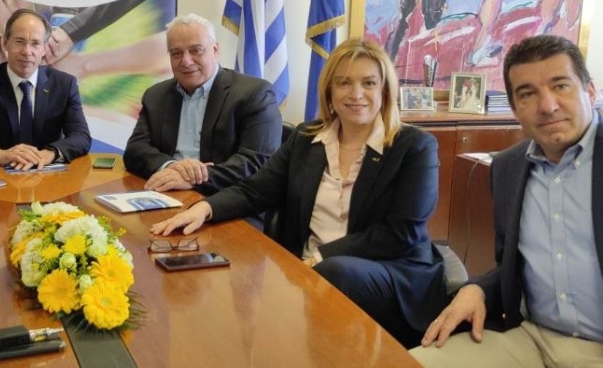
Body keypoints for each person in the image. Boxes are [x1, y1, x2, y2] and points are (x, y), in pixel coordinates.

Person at [414, 35, 603, 368]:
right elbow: (515, 268)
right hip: (532, 337)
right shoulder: (507, 167)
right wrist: (479, 288)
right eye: (527, 93)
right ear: (514, 109)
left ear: (590, 91)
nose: (547, 106)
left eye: (561, 86)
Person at [150, 38, 444, 347]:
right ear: (329, 91)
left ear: (385, 90)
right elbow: (257, 190)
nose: (356, 93)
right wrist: (205, 208)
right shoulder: (307, 138)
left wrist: (321, 257)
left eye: (368, 83)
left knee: (334, 273)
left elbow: (400, 233)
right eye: (344, 82)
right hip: (307, 272)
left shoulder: (415, 147)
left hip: (390, 272)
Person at [123, 14, 281, 193]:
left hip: (225, 197)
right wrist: (171, 166)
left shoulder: (254, 93)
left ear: (215, 50)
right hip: (166, 191)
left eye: (196, 50)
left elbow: (256, 162)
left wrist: (195, 179)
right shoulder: (156, 95)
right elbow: (135, 150)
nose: (186, 61)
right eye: (176, 53)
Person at [0, 9, 91, 169]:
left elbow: (81, 137)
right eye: (19, 41)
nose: (27, 52)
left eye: (35, 43)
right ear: (5, 43)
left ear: (44, 48)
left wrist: (49, 154)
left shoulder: (64, 84)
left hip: (46, 176)